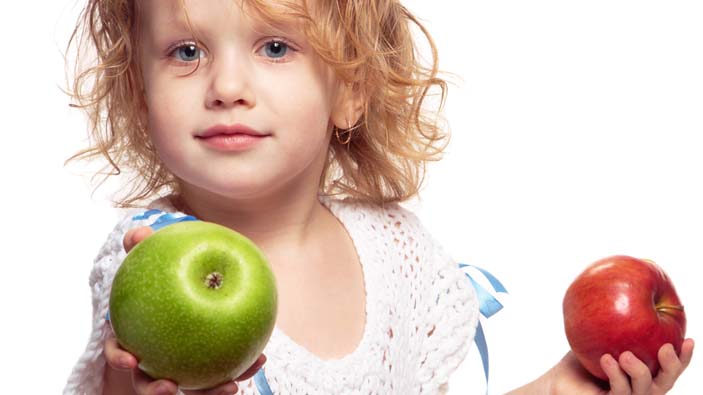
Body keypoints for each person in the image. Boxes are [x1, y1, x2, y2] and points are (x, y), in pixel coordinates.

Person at [62, 1, 694, 394]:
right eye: (187, 51)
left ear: (351, 90)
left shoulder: (397, 254)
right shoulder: (148, 257)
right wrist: (134, 386)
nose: (227, 85)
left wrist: (560, 389)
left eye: (276, 46)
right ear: (140, 95)